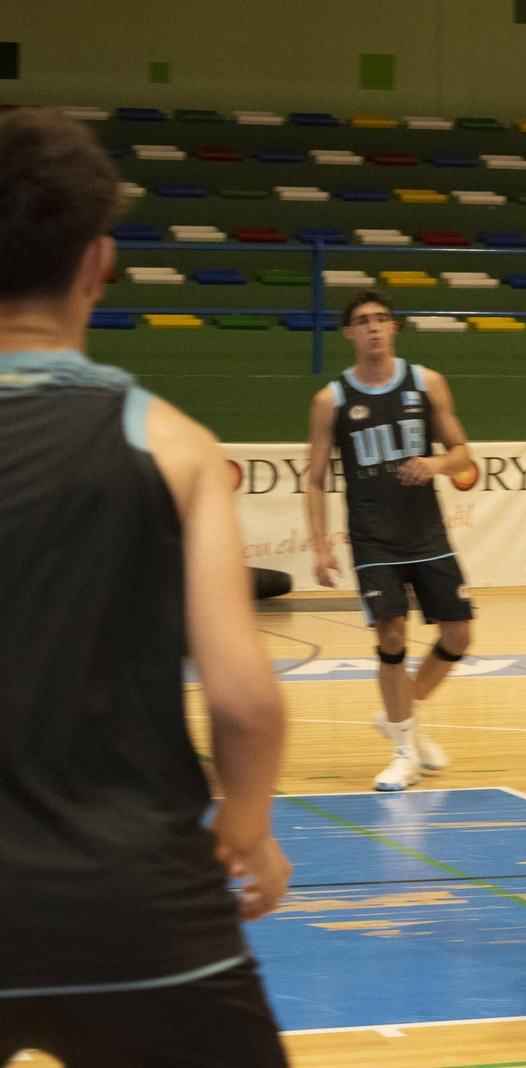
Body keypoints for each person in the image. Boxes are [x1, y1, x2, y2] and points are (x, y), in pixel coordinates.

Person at [0, 107, 291, 1066]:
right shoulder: (174, 445)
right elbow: (245, 704)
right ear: (97, 264)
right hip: (135, 906)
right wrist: (247, 826)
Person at [305, 290, 475, 792]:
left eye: (381, 318)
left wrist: (435, 464)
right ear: (349, 333)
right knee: (392, 636)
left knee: (459, 637)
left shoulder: (426, 382)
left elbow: (461, 453)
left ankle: (403, 714)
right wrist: (320, 546)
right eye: (363, 320)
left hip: (427, 532)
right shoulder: (331, 400)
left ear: (394, 327)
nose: (374, 327)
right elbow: (315, 479)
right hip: (373, 537)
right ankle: (403, 753)